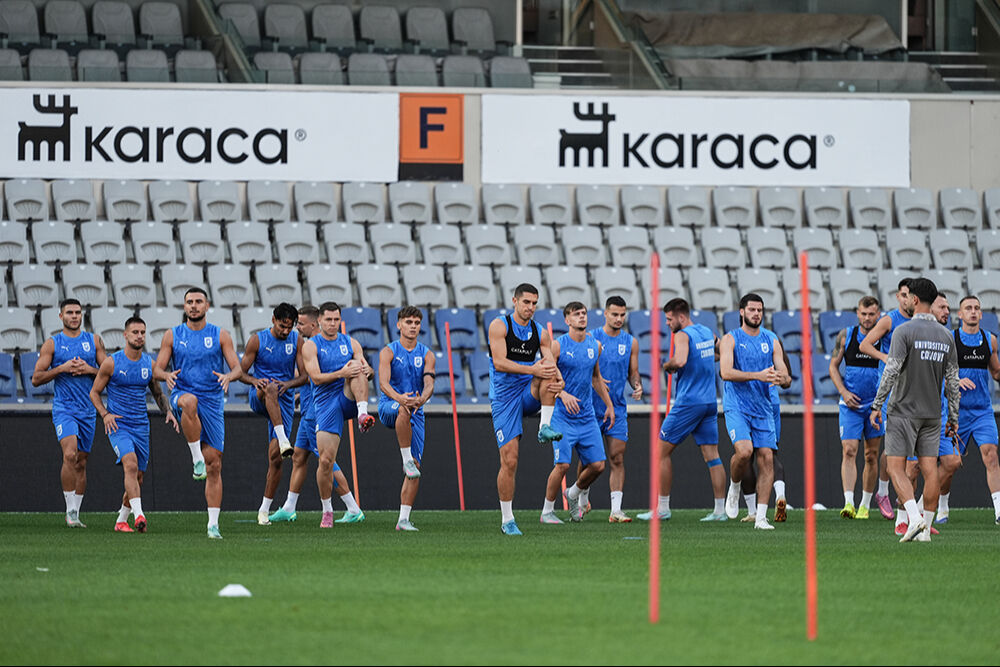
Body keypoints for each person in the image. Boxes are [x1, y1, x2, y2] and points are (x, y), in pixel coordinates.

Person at [870, 277, 960, 542]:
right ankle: (926, 532)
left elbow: (892, 370)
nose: (906, 300)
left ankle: (915, 518)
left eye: (908, 297)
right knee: (930, 469)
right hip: (933, 414)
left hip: (902, 411)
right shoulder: (946, 336)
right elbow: (953, 382)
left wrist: (877, 405)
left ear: (916, 300)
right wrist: (953, 417)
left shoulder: (904, 331)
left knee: (896, 468)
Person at [154, 287, 243, 539]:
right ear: (184, 307)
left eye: (198, 302)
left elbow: (237, 368)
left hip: (213, 400)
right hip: (183, 392)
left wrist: (228, 376)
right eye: (189, 302)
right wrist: (166, 375)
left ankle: (212, 524)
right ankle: (196, 459)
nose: (194, 306)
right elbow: (157, 369)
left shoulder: (220, 335)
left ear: (207, 305)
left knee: (215, 464)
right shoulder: (173, 335)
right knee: (189, 402)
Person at [269, 306, 364, 525]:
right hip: (308, 412)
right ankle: (289, 507)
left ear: (313, 324)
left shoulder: (318, 346)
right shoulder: (309, 347)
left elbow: (315, 377)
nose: (297, 327)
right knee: (299, 456)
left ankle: (352, 507)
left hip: (317, 412)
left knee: (326, 460)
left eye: (300, 323)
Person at [638, 297, 726, 523]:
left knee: (660, 452)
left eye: (669, 319)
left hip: (688, 403)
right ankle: (719, 511)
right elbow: (721, 351)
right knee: (712, 456)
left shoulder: (682, 335)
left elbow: (680, 361)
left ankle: (663, 508)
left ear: (681, 317)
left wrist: (665, 365)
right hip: (709, 402)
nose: (667, 324)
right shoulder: (706, 331)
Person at [89, 317, 178, 532]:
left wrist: (169, 412)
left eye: (142, 332)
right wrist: (105, 414)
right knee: (130, 464)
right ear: (125, 335)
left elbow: (157, 392)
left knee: (138, 476)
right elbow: (94, 392)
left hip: (141, 426)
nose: (139, 336)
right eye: (135, 332)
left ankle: (121, 520)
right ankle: (140, 516)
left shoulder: (149, 363)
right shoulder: (112, 363)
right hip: (119, 425)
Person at [488, 283, 563, 536]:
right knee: (509, 460)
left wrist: (559, 380)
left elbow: (549, 362)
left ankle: (544, 427)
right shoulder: (500, 326)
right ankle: (507, 519)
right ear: (515, 301)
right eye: (526, 302)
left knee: (549, 374)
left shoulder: (540, 332)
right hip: (504, 398)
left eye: (534, 303)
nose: (531, 307)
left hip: (527, 390)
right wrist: (534, 370)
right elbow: (499, 363)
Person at [31, 298, 107, 528]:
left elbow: (108, 373)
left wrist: (89, 369)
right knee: (70, 454)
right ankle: (69, 511)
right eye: (69, 313)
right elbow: (36, 378)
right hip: (65, 408)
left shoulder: (94, 341)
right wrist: (62, 368)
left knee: (81, 462)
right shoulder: (52, 344)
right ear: (61, 316)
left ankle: (76, 511)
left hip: (87, 409)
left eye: (77, 312)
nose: (74, 316)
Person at [301, 302, 376, 529]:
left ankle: (363, 415)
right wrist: (341, 372)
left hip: (348, 397)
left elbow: (367, 370)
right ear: (319, 322)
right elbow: (315, 377)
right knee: (325, 462)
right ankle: (327, 511)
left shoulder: (350, 342)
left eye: (336, 320)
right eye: (328, 320)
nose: (333, 324)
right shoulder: (311, 346)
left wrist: (368, 371)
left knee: (357, 365)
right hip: (325, 405)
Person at [540, 302, 615, 525]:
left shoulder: (595, 346)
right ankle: (547, 512)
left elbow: (595, 378)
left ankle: (572, 493)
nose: (582, 317)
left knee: (599, 465)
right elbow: (546, 379)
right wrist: (563, 394)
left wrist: (609, 405)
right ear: (567, 320)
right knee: (562, 465)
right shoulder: (557, 346)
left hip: (587, 416)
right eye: (576, 314)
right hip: (562, 416)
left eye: (583, 314)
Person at [721, 293, 789, 530]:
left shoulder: (771, 339)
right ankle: (735, 485)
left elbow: (786, 375)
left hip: (763, 407)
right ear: (742, 312)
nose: (756, 314)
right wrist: (758, 375)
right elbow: (726, 372)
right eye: (752, 310)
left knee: (767, 458)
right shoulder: (730, 339)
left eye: (760, 310)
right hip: (737, 406)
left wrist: (783, 378)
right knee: (744, 452)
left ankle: (760, 517)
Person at [237, 303, 308, 526]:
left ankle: (264, 510)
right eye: (281, 326)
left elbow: (304, 377)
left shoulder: (296, 340)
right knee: (269, 388)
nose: (285, 331)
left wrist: (287, 384)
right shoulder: (257, 340)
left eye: (289, 327)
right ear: (273, 320)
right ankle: (285, 439)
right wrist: (256, 381)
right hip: (259, 395)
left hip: (283, 399)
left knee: (276, 459)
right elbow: (241, 372)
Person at [936, 295, 1000, 525]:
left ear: (981, 314)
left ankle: (999, 511)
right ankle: (942, 506)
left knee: (991, 454)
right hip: (955, 412)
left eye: (977, 308)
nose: (973, 312)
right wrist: (956, 381)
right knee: (950, 463)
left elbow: (996, 372)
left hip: (982, 410)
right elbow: (936, 377)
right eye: (968, 308)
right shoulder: (949, 340)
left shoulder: (990, 340)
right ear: (959, 314)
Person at [859, 278, 914, 522]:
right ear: (898, 297)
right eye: (902, 295)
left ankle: (909, 503)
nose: (906, 299)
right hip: (893, 393)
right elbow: (865, 344)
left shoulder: (921, 321)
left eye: (909, 295)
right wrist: (885, 357)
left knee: (911, 453)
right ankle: (884, 492)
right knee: (895, 449)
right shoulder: (890, 320)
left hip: (915, 392)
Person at [378, 306, 435, 531]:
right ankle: (405, 460)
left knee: (417, 468)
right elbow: (383, 383)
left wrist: (422, 399)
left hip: (416, 409)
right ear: (398, 325)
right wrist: (401, 398)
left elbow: (429, 383)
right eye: (408, 322)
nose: (413, 326)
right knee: (403, 409)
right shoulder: (388, 352)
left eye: (416, 323)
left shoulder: (427, 354)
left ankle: (403, 520)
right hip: (390, 405)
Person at [830, 296, 884, 520]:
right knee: (849, 450)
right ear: (857, 313)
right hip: (850, 404)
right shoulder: (847, 336)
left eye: (872, 314)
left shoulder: (884, 337)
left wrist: (880, 402)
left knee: (871, 455)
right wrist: (843, 391)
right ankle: (849, 502)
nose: (867, 318)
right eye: (864, 313)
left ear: (878, 314)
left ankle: (865, 504)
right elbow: (833, 366)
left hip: (875, 406)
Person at [589, 296, 641, 523]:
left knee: (617, 457)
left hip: (617, 408)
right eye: (615, 314)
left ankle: (616, 510)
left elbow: (633, 372)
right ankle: (581, 498)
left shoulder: (631, 342)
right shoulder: (592, 338)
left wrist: (637, 385)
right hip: (590, 407)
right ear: (605, 314)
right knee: (589, 460)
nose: (619, 319)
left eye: (622, 315)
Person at [736, 331, 792, 523]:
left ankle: (752, 510)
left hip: (752, 404)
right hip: (772, 402)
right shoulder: (774, 340)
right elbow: (787, 379)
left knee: (746, 456)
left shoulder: (740, 342)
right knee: (769, 454)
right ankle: (780, 495)